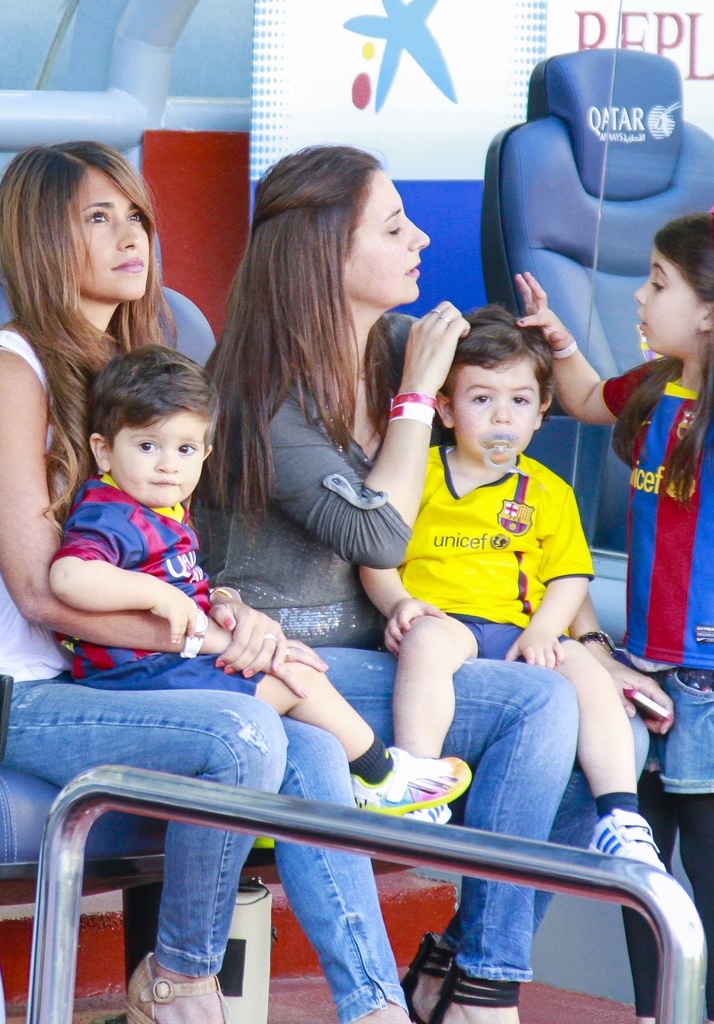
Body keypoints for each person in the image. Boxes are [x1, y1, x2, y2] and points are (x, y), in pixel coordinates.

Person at [0, 140, 417, 1024]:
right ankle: (180, 980)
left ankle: (374, 1008)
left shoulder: (131, 367)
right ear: (38, 243)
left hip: (107, 675)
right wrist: (215, 647)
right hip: (9, 694)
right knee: (245, 728)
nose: (129, 235)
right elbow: (42, 592)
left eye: (135, 214)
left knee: (314, 744)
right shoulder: (4, 372)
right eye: (96, 219)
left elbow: (157, 558)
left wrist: (230, 610)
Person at [206, 144, 640, 1024]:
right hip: (292, 662)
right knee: (519, 710)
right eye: (394, 226)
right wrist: (411, 404)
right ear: (328, 254)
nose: (422, 239)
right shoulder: (261, 396)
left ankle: (473, 971)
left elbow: (532, 505)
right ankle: (425, 998)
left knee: (584, 712)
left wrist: (591, 645)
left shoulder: (400, 345)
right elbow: (376, 530)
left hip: (395, 656)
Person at [514, 207, 714, 1024]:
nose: (639, 296)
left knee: (712, 860)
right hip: (646, 660)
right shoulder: (655, 389)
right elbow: (583, 397)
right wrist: (555, 336)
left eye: (658, 282)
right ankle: (660, 1011)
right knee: (640, 861)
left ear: (713, 312)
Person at [49, 345, 472, 819]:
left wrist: (220, 601)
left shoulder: (163, 508)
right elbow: (68, 577)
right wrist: (157, 594)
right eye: (148, 446)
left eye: (185, 449)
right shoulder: (112, 512)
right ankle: (381, 779)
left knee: (290, 662)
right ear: (103, 450)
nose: (168, 464)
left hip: (168, 663)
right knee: (295, 680)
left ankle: (367, 785)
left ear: (205, 454)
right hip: (135, 674)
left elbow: (185, 581)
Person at [358, 306, 663, 865]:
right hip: (444, 622)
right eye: (481, 400)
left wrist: (546, 632)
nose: (502, 417)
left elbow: (569, 574)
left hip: (517, 629)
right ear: (445, 409)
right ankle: (418, 781)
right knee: (425, 642)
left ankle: (621, 815)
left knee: (590, 679)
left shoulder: (548, 491)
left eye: (519, 401)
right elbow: (374, 555)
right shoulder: (418, 471)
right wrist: (399, 603)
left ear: (543, 411)